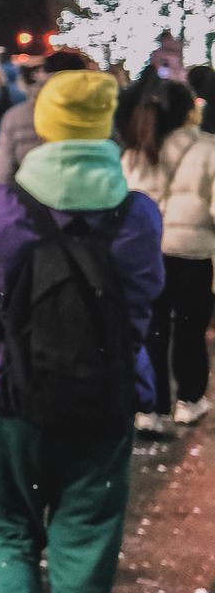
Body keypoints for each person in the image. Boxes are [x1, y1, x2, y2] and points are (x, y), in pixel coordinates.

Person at [0, 71, 163, 593]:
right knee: (87, 533)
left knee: (9, 517)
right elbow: (144, 305)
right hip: (107, 400)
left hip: (17, 395)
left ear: (44, 125)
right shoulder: (138, 216)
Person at [117, 76, 215, 432]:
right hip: (193, 255)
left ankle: (151, 408)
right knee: (190, 331)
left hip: (147, 256)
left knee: (152, 331)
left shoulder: (134, 151)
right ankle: (188, 401)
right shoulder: (208, 149)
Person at [0, 50, 91, 187]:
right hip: (87, 199)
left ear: (43, 74)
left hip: (30, 199)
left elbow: (1, 176)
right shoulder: (98, 112)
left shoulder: (16, 116)